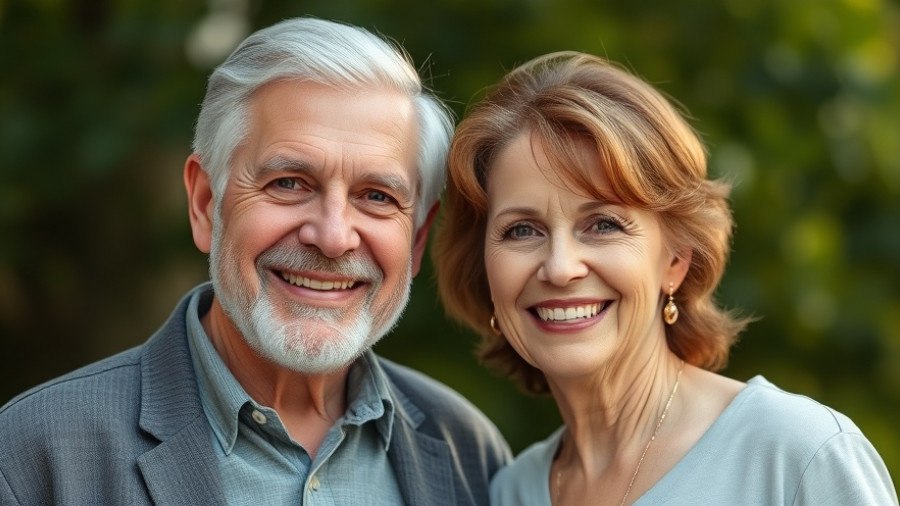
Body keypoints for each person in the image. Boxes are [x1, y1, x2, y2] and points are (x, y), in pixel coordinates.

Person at [0, 17, 510, 505]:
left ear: (418, 238)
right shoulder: (36, 454)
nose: (333, 238)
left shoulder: (468, 454)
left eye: (376, 196)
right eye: (288, 183)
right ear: (205, 204)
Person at [433, 51, 898, 505]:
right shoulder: (508, 491)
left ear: (676, 259)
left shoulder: (797, 455)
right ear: (485, 268)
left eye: (603, 225)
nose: (559, 267)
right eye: (522, 230)